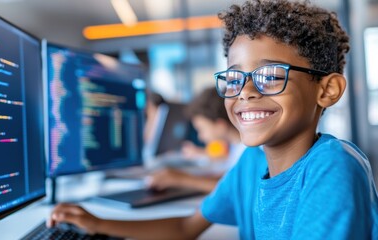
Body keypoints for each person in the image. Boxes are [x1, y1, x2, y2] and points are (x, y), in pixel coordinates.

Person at [47, 1, 378, 239]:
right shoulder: (252, 162)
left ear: (327, 89)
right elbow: (184, 228)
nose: (245, 91)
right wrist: (100, 224)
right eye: (234, 78)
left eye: (270, 75)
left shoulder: (333, 168)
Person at [146, 86, 244, 193]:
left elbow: (233, 189)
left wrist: (180, 179)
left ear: (220, 126)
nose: (200, 136)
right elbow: (227, 179)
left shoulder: (247, 151)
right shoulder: (236, 148)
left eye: (201, 129)